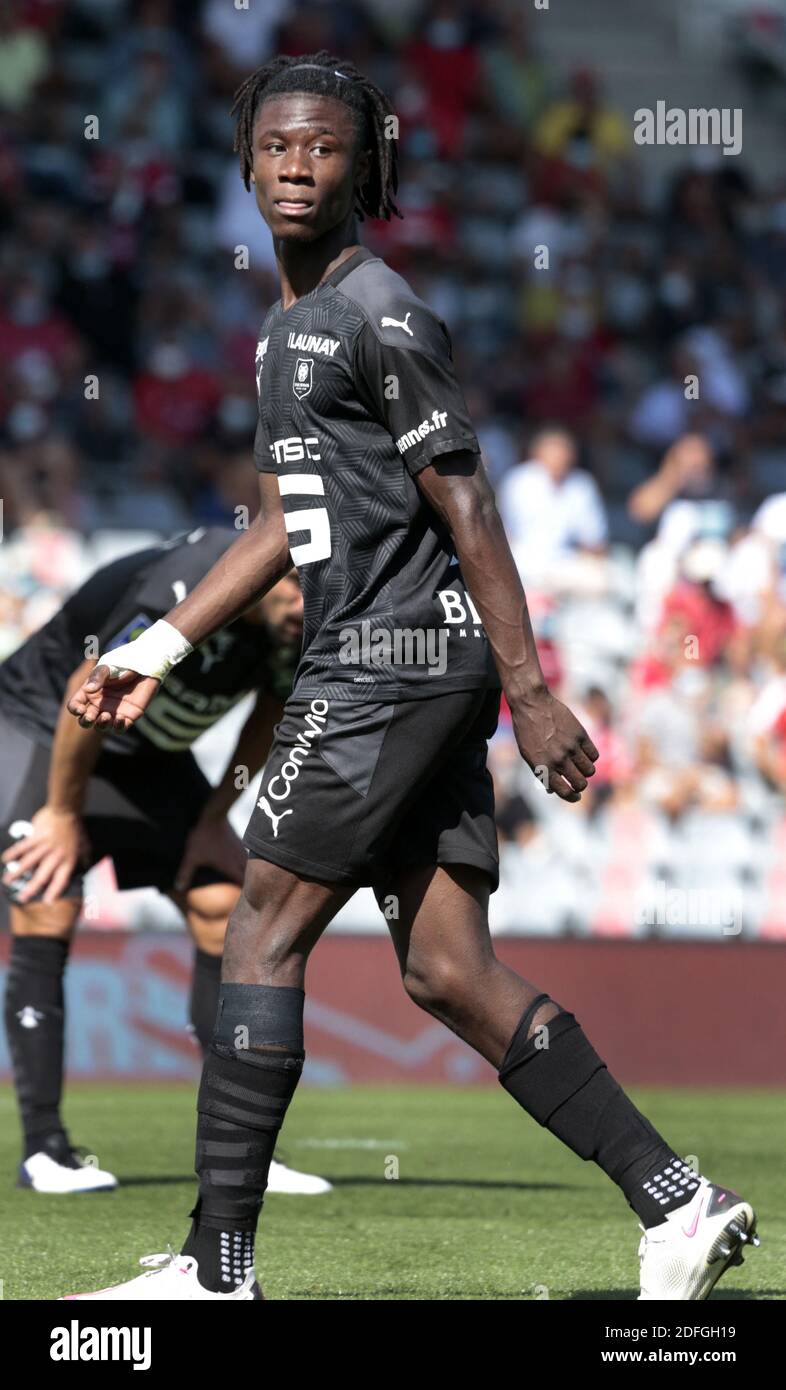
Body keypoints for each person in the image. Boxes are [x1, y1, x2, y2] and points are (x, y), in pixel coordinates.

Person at [61, 52, 757, 1301]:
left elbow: (471, 500)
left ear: (364, 166)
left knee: (260, 924)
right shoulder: (287, 330)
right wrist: (157, 646)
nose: (295, 165)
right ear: (243, 158)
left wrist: (532, 687)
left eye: (323, 148)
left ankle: (216, 1275)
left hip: (389, 660)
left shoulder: (379, 310)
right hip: (410, 671)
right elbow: (277, 526)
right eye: (276, 145)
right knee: (448, 970)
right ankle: (677, 1203)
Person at [0, 525, 330, 1197]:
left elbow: (268, 718)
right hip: (48, 722)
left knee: (220, 907)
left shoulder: (304, 623)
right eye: (294, 585)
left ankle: (239, 1151)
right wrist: (61, 816)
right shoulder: (185, 584)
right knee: (48, 895)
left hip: (151, 757)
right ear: (264, 568)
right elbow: (85, 688)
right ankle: (45, 1149)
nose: (303, 604)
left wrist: (215, 821)